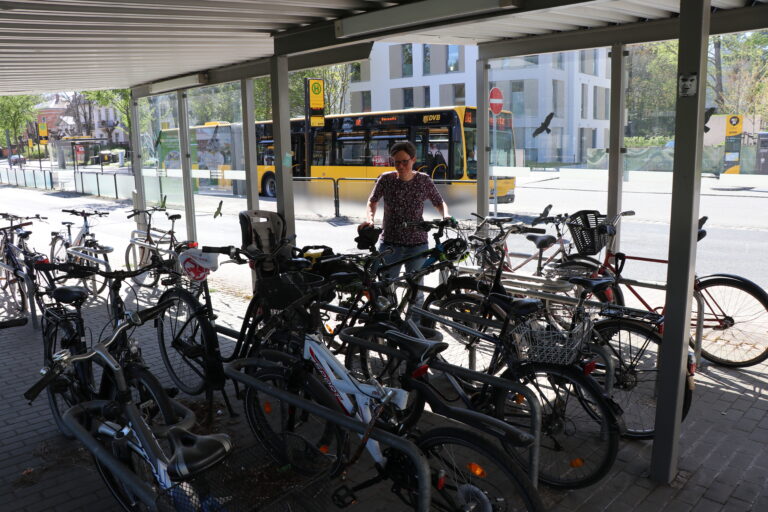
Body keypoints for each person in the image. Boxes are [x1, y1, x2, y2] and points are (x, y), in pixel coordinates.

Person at [360, 140, 449, 305]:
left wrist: (446, 216)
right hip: (390, 245)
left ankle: (413, 327)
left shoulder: (424, 180)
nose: (400, 166)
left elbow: (439, 202)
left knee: (416, 291)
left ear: (413, 160)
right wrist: (370, 219)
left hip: (417, 245)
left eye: (404, 162)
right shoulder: (386, 179)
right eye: (396, 162)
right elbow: (372, 201)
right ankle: (388, 324)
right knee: (385, 289)